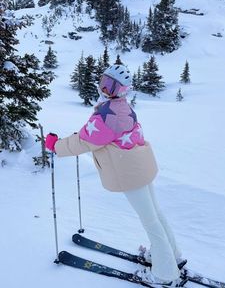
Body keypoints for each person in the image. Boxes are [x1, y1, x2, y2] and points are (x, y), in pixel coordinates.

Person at [45, 64, 184, 287]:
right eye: (103, 82)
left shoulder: (107, 116)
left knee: (150, 221)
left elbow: (83, 141)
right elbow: (90, 135)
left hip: (130, 172)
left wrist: (56, 146)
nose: (104, 88)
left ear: (120, 89)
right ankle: (171, 256)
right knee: (155, 214)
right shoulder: (120, 107)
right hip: (141, 166)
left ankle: (165, 273)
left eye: (109, 85)